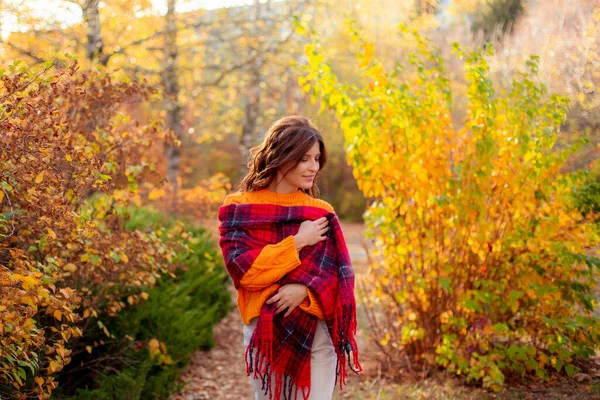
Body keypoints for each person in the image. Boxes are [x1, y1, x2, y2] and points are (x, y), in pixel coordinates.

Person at [217, 116, 361, 400]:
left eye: (317, 158)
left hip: (317, 336)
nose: (313, 167)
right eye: (304, 158)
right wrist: (298, 242)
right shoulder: (239, 208)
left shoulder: (321, 212)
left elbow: (339, 279)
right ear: (282, 157)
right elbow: (245, 273)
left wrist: (304, 291)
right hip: (266, 333)